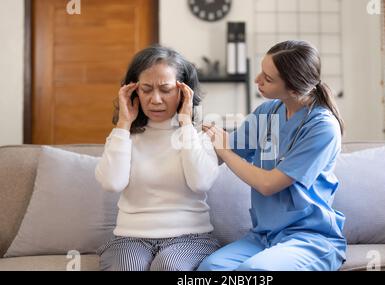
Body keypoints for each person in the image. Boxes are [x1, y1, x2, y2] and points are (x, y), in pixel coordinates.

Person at [199, 40, 347, 271]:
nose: (257, 80)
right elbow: (222, 150)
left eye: (268, 79)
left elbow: (268, 184)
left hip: (308, 239)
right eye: (261, 72)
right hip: (263, 236)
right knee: (210, 269)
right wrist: (189, 129)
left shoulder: (323, 127)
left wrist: (224, 151)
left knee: (254, 272)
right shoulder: (267, 112)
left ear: (295, 89)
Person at [95, 45, 220, 271]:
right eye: (146, 89)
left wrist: (185, 122)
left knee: (169, 266)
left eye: (165, 89)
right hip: (130, 238)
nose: (155, 99)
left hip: (190, 238)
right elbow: (112, 183)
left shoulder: (199, 136)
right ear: (134, 91)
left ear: (183, 92)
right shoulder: (123, 137)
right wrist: (124, 123)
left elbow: (201, 183)